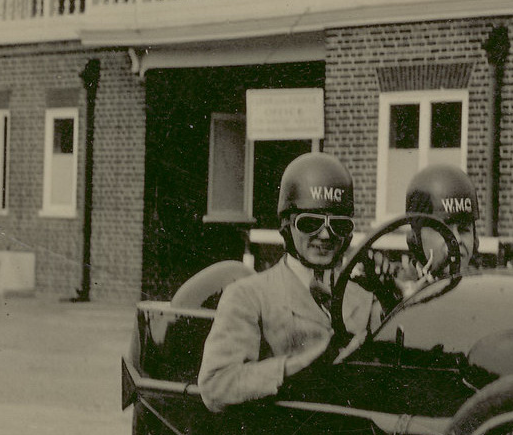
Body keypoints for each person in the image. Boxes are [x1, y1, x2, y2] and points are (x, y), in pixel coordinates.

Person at [197, 152, 378, 413]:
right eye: (311, 222)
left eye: (338, 225)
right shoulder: (250, 296)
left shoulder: (363, 299)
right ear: (287, 225)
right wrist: (300, 366)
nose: (325, 235)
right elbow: (215, 385)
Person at [397, 163, 480, 294]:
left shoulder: (482, 293)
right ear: (415, 238)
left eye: (464, 229)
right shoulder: (391, 300)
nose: (456, 239)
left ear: (475, 240)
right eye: (443, 229)